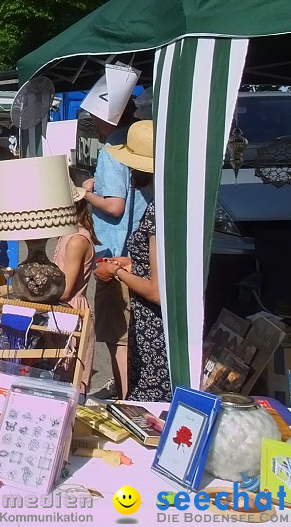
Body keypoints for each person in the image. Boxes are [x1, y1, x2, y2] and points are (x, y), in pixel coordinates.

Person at [92, 121, 171, 402]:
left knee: (149, 404)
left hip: (154, 332)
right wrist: (126, 263)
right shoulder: (165, 203)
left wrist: (117, 271)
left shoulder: (157, 213)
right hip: (152, 328)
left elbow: (156, 290)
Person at [81, 102, 145, 398]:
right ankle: (133, 395)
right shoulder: (141, 140)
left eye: (95, 118)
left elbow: (114, 205)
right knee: (135, 334)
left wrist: (85, 193)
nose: (93, 123)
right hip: (141, 250)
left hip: (114, 253)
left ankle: (125, 400)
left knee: (117, 336)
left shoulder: (113, 147)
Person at [49, 181, 99, 392]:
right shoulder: (66, 234)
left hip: (70, 311)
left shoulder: (77, 240)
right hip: (60, 309)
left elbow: (67, 288)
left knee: (68, 377)